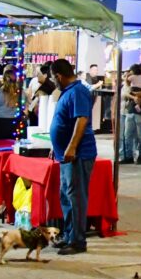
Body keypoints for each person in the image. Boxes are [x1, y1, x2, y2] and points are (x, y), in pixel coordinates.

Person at [50, 57, 97, 255]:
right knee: (67, 196)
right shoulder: (69, 91)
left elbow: (82, 120)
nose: (53, 82)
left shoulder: (78, 91)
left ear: (59, 76)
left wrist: (71, 147)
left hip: (78, 155)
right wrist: (57, 146)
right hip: (66, 155)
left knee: (76, 197)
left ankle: (78, 241)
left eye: (53, 78)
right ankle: (69, 235)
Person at [0, 65, 21, 140]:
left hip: (1, 123)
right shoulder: (21, 93)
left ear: (3, 80)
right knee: (16, 145)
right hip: (16, 123)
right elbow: (26, 110)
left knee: (1, 144)